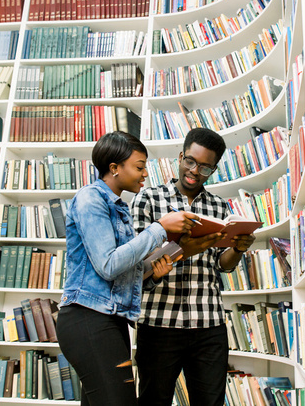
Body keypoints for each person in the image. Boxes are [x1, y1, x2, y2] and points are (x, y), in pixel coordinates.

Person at [56, 131, 199, 406]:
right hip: (87, 318)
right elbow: (108, 264)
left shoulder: (119, 208)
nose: (145, 174)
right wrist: (159, 228)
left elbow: (119, 270)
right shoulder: (90, 199)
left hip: (109, 320)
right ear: (114, 168)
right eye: (139, 166)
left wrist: (151, 273)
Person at [131, 127, 256, 406]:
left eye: (205, 167)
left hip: (209, 325)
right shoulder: (148, 199)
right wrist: (183, 250)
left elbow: (223, 266)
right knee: (153, 401)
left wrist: (237, 249)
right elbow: (137, 263)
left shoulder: (220, 208)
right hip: (158, 324)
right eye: (190, 161)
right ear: (180, 156)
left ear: (214, 169)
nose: (194, 171)